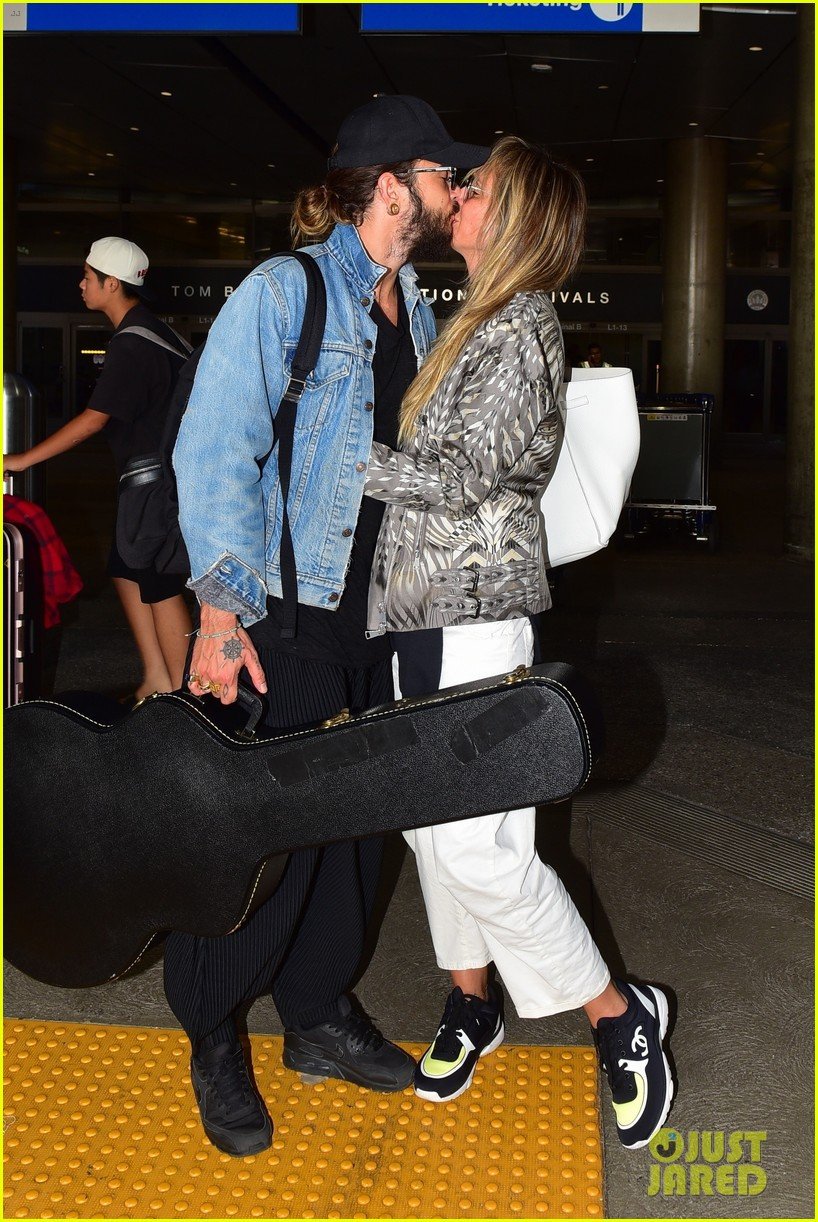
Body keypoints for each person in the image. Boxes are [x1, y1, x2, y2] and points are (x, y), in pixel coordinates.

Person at [168, 95, 488, 1158]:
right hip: (288, 621)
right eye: (446, 174)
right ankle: (214, 1031)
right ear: (393, 183)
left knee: (352, 839)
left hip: (382, 625)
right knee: (257, 839)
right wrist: (220, 613)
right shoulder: (286, 290)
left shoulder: (420, 308)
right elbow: (215, 451)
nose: (458, 191)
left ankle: (313, 1016)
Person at [363, 136, 674, 1151]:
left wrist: (336, 464)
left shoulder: (524, 326)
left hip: (475, 607)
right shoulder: (472, 317)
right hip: (416, 608)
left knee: (480, 848)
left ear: (515, 215)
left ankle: (616, 1017)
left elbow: (462, 484)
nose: (456, 197)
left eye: (475, 189)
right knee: (425, 826)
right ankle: (469, 1001)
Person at [3, 237, 192, 697]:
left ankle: (187, 695)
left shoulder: (132, 342)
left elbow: (94, 419)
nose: (81, 283)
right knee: (127, 573)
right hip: (160, 479)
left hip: (154, 482)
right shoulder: (160, 333)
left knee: (159, 582)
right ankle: (157, 679)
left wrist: (20, 459)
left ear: (112, 284)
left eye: (88, 276)